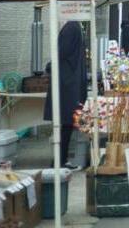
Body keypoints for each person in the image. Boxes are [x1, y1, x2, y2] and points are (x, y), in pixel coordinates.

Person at [44, 21, 87, 169]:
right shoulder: (74, 27)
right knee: (66, 125)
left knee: (66, 125)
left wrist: (49, 66)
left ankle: (60, 160)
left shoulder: (71, 27)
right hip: (68, 83)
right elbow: (62, 53)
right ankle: (60, 160)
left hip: (66, 82)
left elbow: (60, 53)